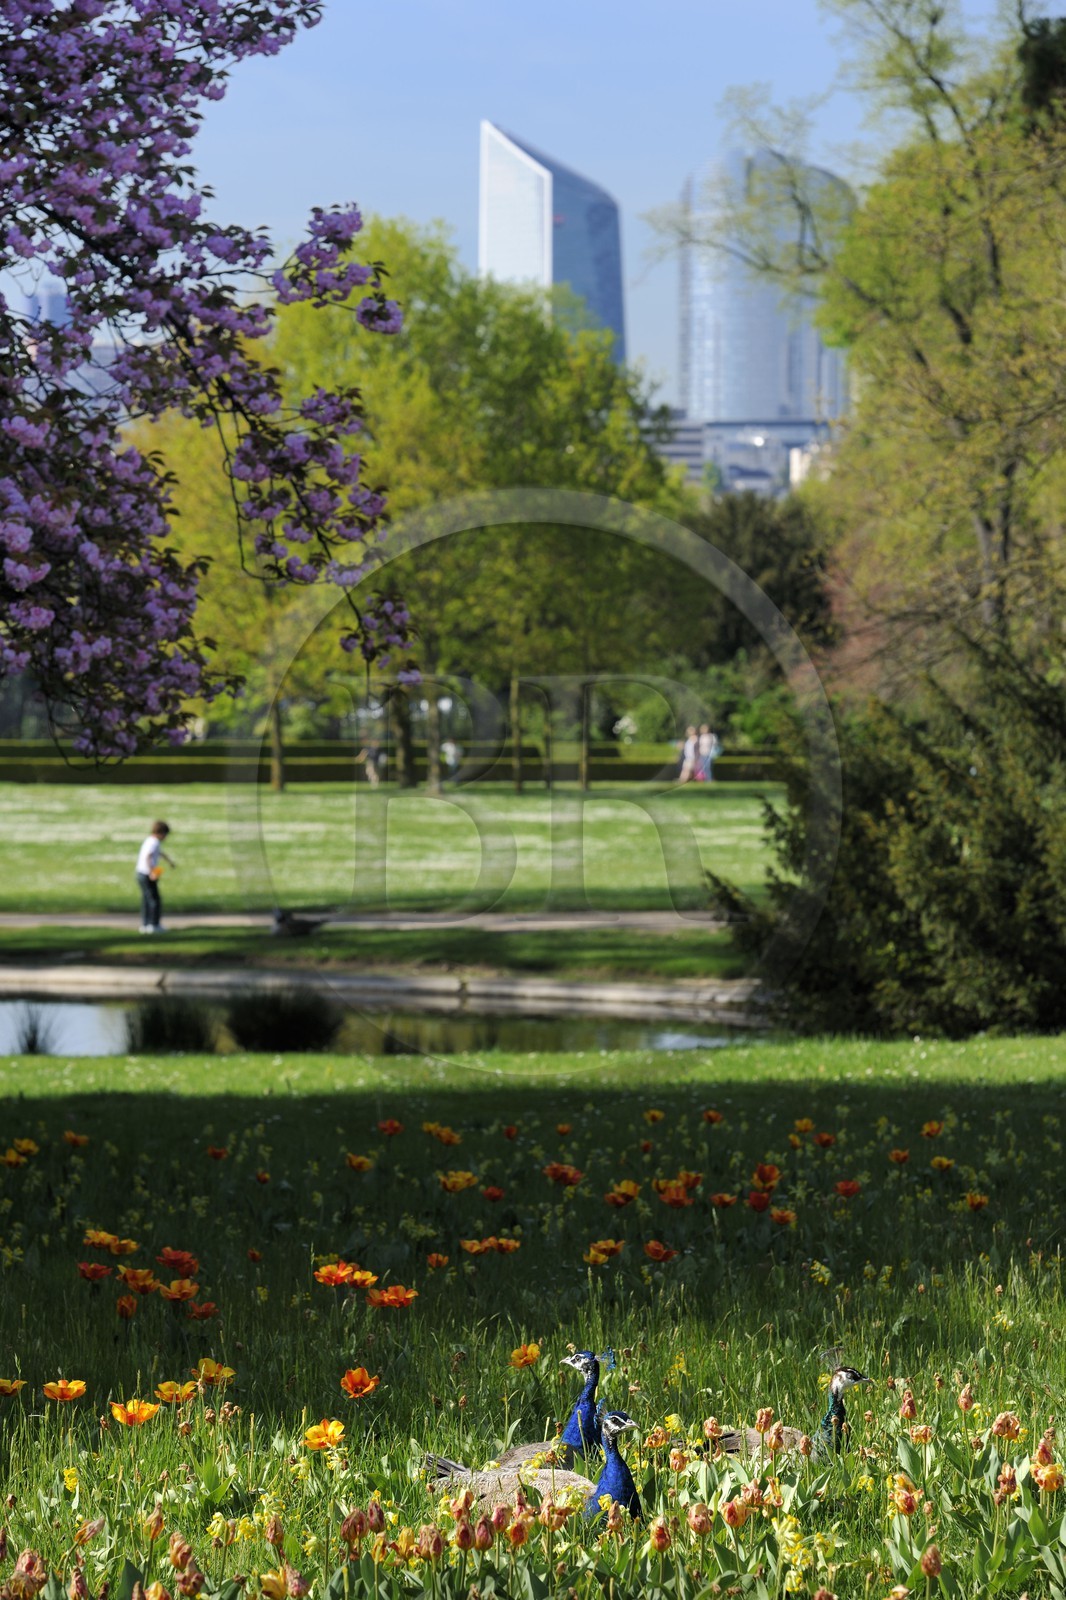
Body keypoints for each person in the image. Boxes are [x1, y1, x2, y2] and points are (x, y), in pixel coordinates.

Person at [135, 820, 175, 933]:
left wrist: (169, 861)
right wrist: (152, 871)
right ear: (161, 833)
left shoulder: (150, 840)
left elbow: (159, 853)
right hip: (146, 873)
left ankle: (146, 924)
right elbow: (148, 856)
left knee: (146, 899)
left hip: (140, 872)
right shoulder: (154, 842)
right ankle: (154, 924)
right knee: (154, 900)